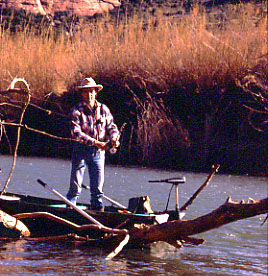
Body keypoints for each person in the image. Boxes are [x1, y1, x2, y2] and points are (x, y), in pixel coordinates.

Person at [66, 77, 120, 211]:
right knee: (75, 187)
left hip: (99, 154)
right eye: (86, 92)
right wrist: (96, 143)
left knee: (97, 189)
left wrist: (114, 139)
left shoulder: (103, 109)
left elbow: (112, 127)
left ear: (96, 92)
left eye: (91, 91)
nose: (89, 94)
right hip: (81, 151)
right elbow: (76, 132)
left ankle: (97, 210)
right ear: (82, 93)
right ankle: (70, 209)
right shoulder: (76, 111)